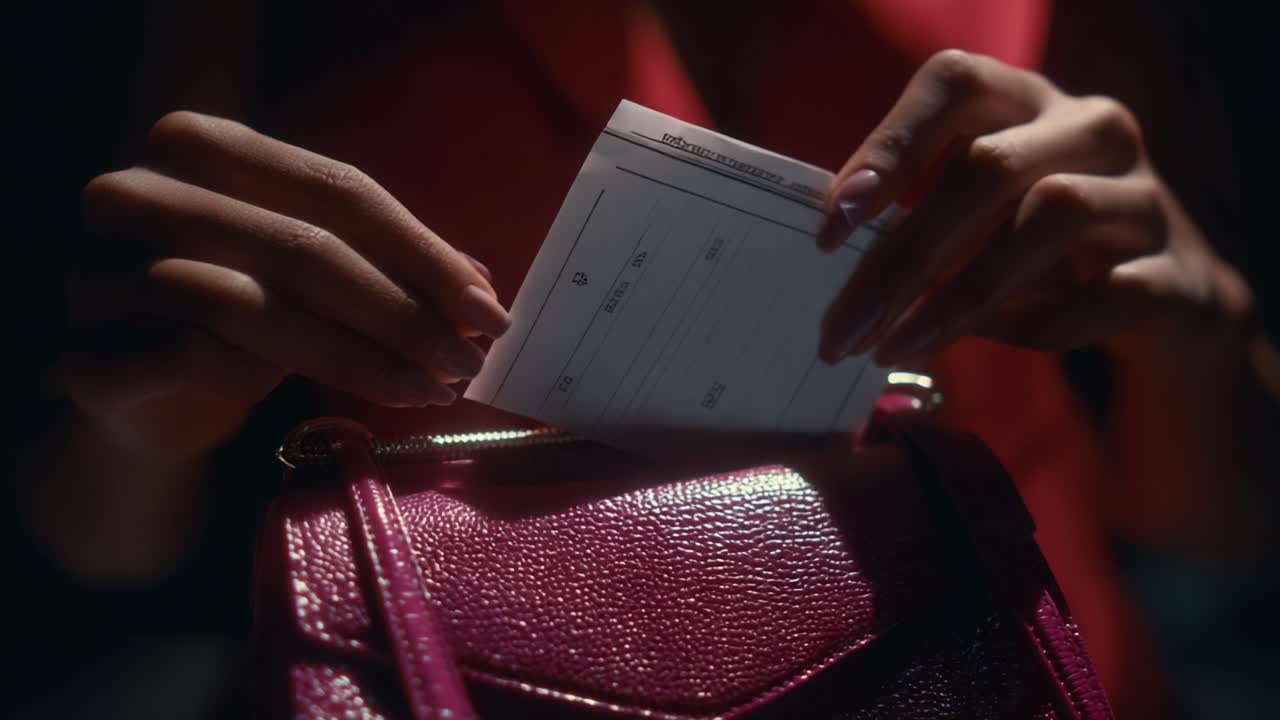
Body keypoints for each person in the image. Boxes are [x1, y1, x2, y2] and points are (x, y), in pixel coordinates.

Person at [8, 1, 1278, 716]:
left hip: (1011, 674)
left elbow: (1220, 541)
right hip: (439, 669)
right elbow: (98, 554)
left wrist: (1194, 323)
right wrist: (132, 427)